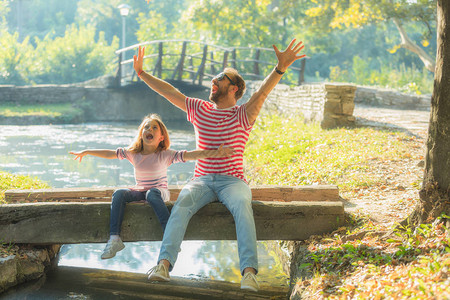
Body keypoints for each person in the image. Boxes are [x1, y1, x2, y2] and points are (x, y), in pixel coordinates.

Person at [134, 39, 306, 292]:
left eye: (221, 78)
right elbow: (169, 92)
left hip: (233, 181)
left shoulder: (243, 114)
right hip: (201, 180)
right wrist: (142, 73)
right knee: (181, 206)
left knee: (242, 207)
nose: (213, 81)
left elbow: (263, 93)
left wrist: (279, 69)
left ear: (234, 88)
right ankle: (163, 265)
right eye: (214, 79)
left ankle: (248, 274)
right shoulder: (199, 109)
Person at [69, 113, 234, 260]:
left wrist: (216, 152)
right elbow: (110, 153)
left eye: (155, 127)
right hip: (141, 190)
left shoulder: (165, 155)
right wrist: (87, 151)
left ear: (161, 137)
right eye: (146, 127)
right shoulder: (133, 153)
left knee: (152, 194)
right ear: (141, 134)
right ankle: (114, 239)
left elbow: (192, 155)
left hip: (159, 193)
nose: (150, 129)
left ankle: (170, 236)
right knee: (119, 193)